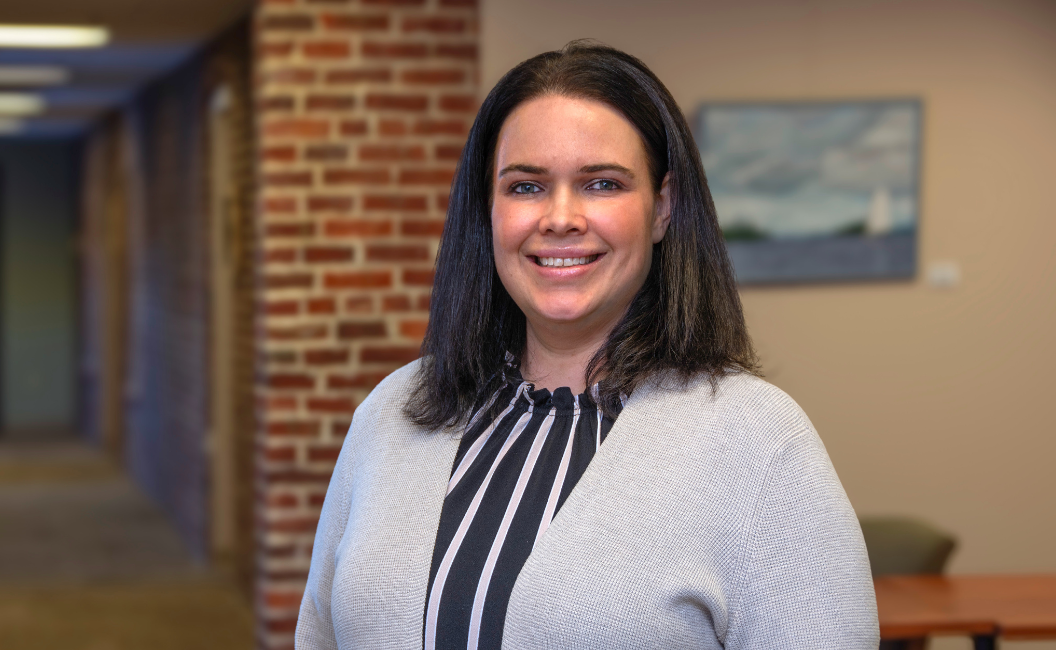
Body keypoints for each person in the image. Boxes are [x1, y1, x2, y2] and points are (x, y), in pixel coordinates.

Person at [296, 41, 878, 649]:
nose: (561, 216)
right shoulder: (394, 411)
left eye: (601, 184)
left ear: (663, 208)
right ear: (487, 209)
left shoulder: (756, 441)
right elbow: (317, 637)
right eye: (526, 187)